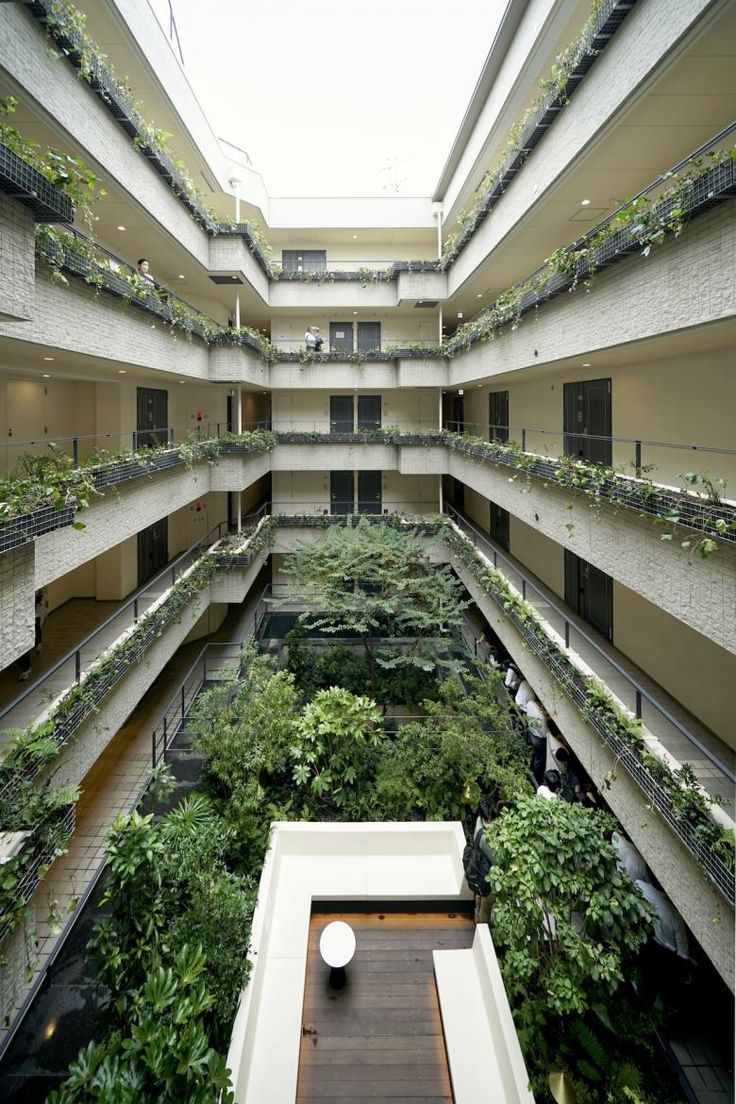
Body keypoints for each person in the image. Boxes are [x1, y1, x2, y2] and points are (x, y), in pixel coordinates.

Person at [473, 799, 495, 924]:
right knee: (486, 908)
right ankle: (483, 928)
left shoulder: (478, 822)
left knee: (479, 894)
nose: (490, 823)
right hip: (488, 872)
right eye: (487, 820)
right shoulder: (486, 838)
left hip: (479, 867)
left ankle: (477, 912)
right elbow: (496, 860)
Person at [34, 589, 45, 654]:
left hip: (36, 616)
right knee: (38, 630)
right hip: (35, 616)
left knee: (38, 630)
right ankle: (37, 645)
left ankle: (38, 645)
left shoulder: (38, 592)